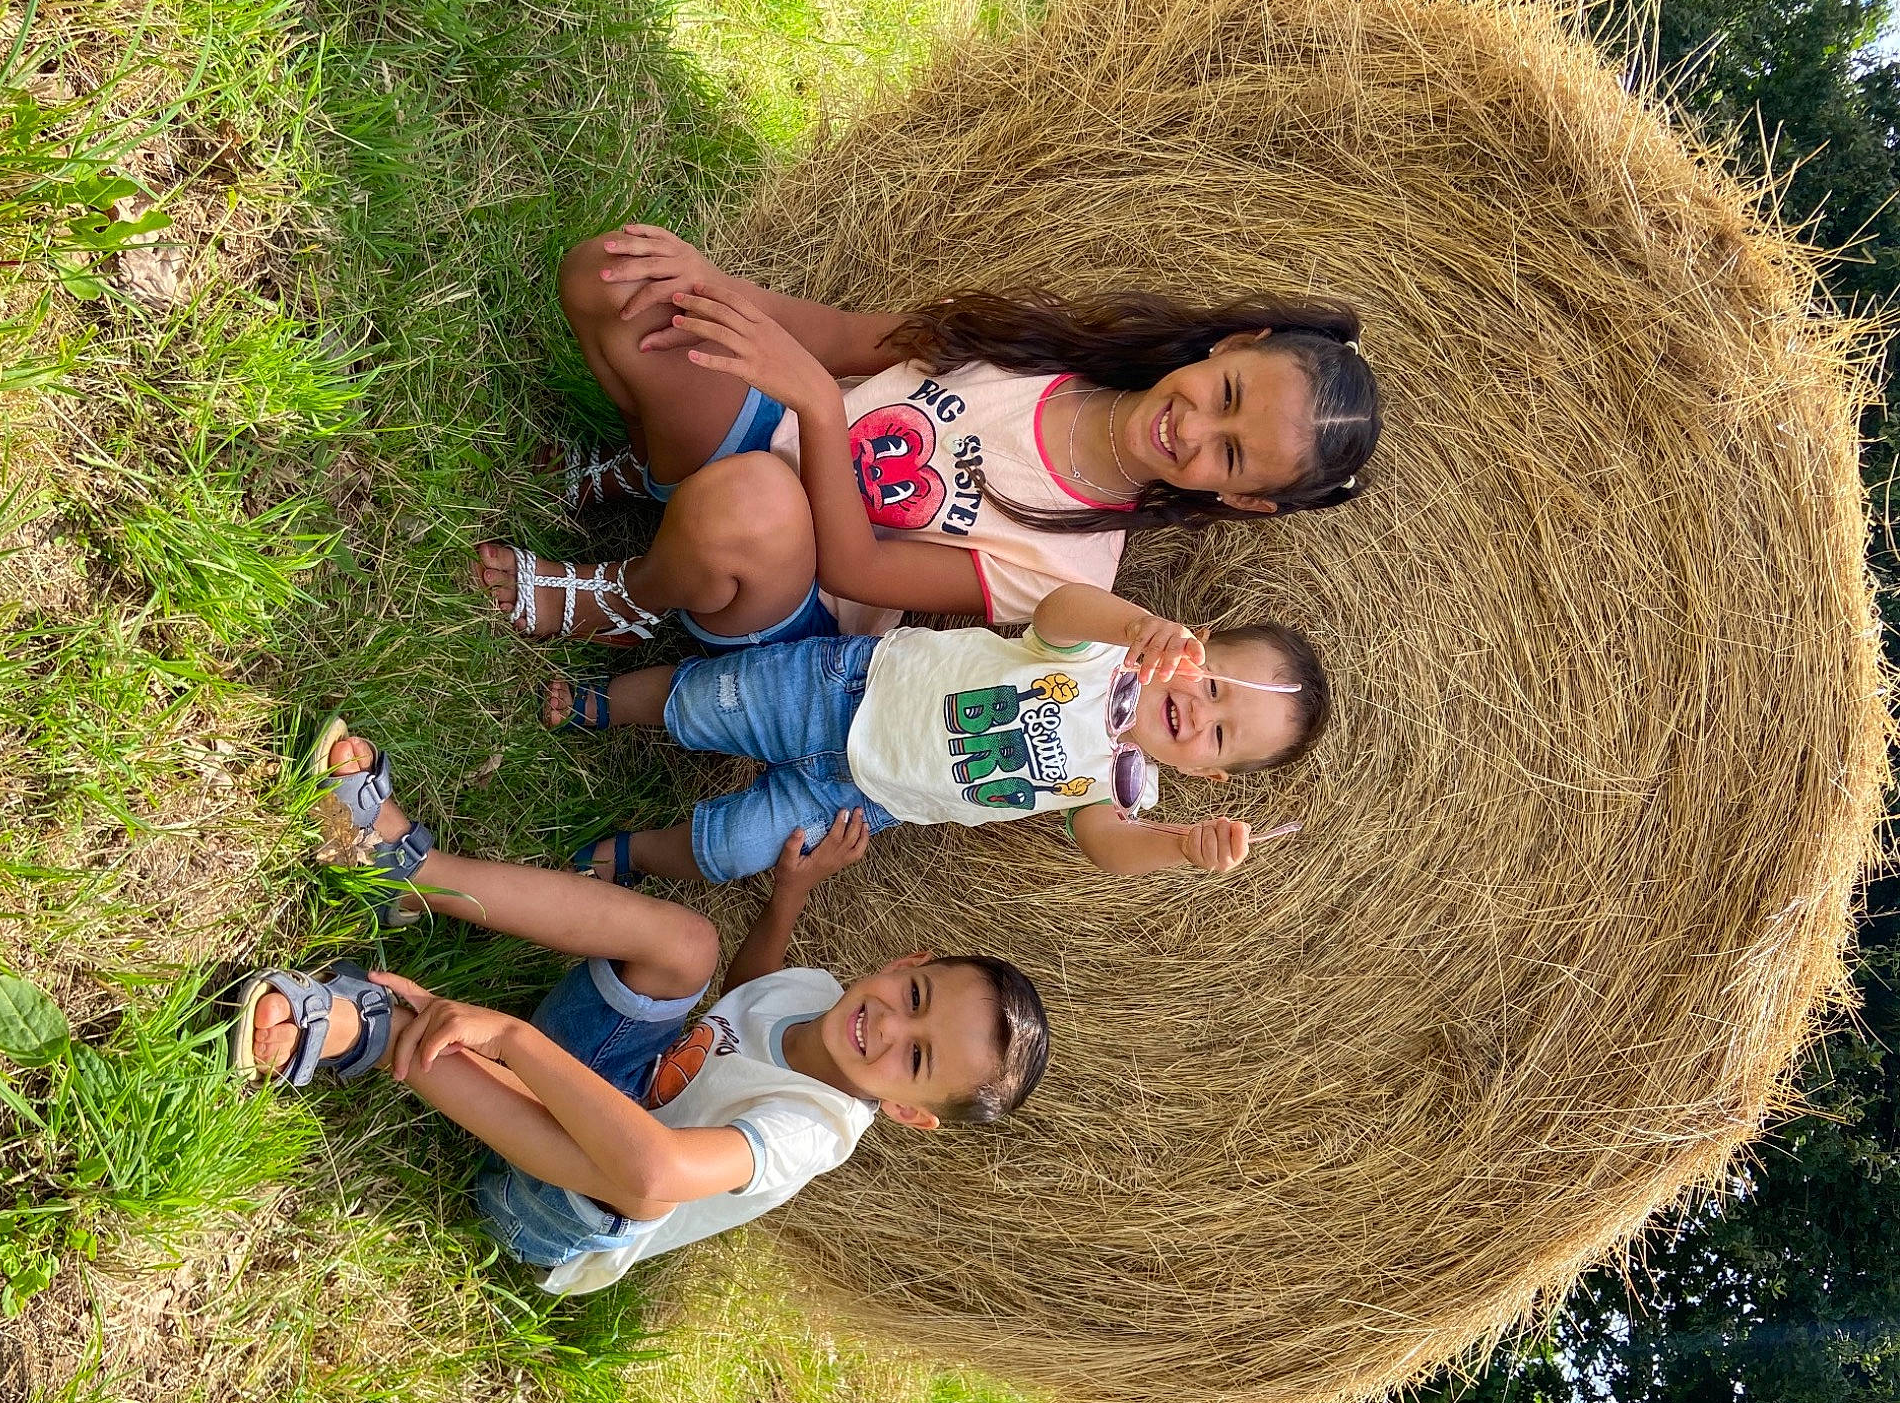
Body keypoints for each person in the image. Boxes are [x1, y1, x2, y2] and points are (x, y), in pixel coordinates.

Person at [232, 722, 1049, 1294]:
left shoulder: (815, 1131)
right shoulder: (824, 1000)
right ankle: (406, 872)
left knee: (650, 1189)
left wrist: (509, 1038)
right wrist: (787, 898)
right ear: (909, 963)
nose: (891, 1026)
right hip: (596, 1079)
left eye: (916, 1057)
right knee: (689, 944)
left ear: (907, 1113)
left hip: (552, 1204)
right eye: (914, 998)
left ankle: (372, 1033)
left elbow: (654, 1169)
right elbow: (747, 1000)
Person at [475, 223, 1379, 648]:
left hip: (789, 567)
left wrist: (819, 407)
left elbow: (855, 571)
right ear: (1233, 345)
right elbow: (837, 339)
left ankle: (625, 601)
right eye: (1226, 394)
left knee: (750, 502)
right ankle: (651, 472)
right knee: (615, 279)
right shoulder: (1049, 346)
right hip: (769, 427)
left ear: (1240, 499)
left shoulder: (1070, 566)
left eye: (1230, 453)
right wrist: (713, 285)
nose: (1195, 427)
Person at [543, 582, 1328, 885]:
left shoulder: (1118, 790)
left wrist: (1180, 847)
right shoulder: (1105, 652)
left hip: (864, 798)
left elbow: (1106, 848)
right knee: (712, 700)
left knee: (737, 850)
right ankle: (603, 703)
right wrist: (1137, 625)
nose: (1199, 713)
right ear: (1194, 643)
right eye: (1214, 686)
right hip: (846, 690)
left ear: (1206, 776)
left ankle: (636, 855)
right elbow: (1055, 611)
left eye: (1219, 736)